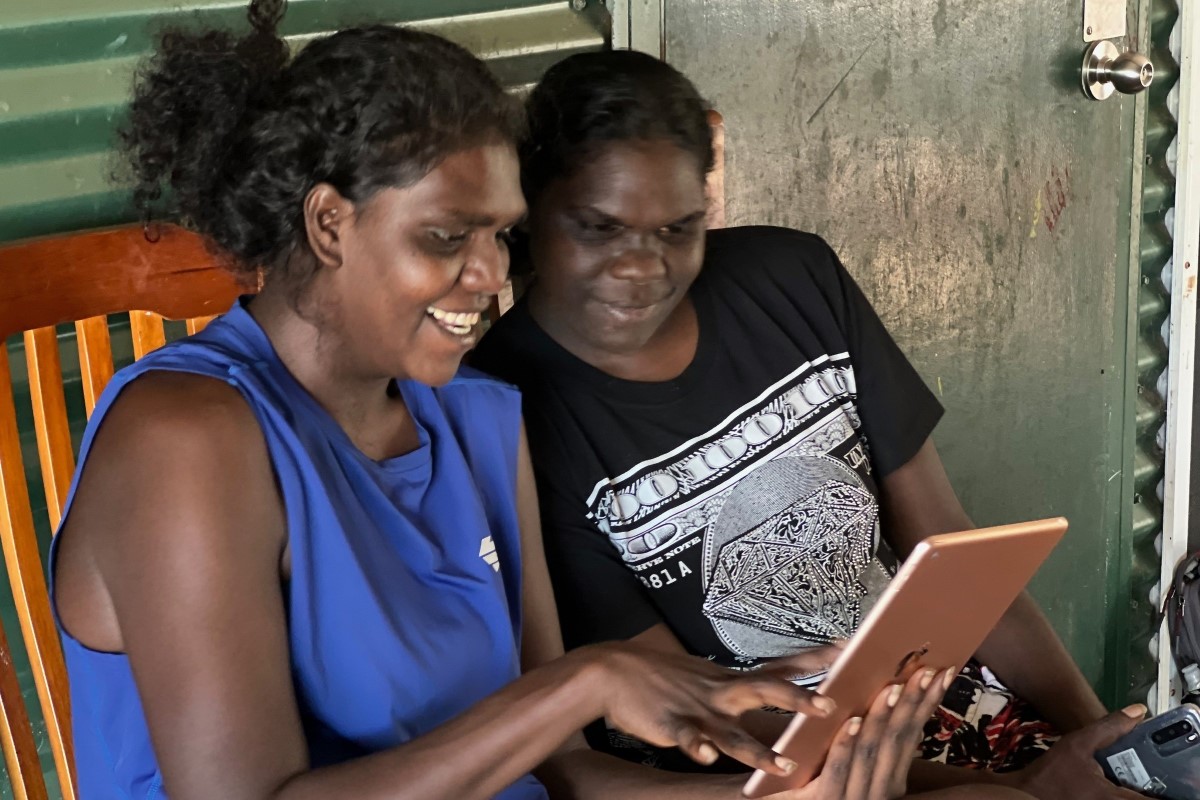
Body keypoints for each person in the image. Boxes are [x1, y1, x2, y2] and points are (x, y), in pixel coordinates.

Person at [45, 3, 987, 800]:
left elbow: (566, 770)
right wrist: (582, 683)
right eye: (449, 235)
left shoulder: (477, 417)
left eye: (502, 235)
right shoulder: (189, 436)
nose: (491, 276)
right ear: (329, 222)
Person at [471, 49, 1149, 799]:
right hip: (764, 768)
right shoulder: (509, 406)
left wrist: (1100, 746)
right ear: (530, 207)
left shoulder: (793, 281)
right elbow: (693, 711)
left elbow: (952, 554)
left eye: (677, 229)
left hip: (944, 708)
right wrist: (1022, 788)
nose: (643, 267)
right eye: (599, 228)